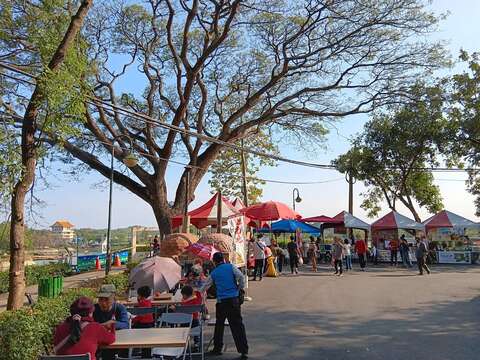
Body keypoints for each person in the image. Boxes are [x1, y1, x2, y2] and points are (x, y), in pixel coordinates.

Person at [201, 252, 248, 360]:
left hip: (221, 302)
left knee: (219, 325)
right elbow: (241, 277)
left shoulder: (214, 272)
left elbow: (205, 286)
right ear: (223, 259)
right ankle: (243, 350)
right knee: (237, 325)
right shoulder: (231, 267)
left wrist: (197, 292)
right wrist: (239, 287)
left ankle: (217, 348)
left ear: (214, 261)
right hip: (233, 300)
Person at [93, 284, 129, 360]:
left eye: (106, 299)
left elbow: (125, 324)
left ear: (114, 298)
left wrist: (113, 324)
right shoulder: (93, 309)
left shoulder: (119, 308)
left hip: (116, 343)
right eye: (100, 299)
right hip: (97, 344)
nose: (103, 303)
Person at [131, 286, 154, 358]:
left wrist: (132, 320)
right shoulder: (148, 302)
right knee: (147, 341)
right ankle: (146, 355)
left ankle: (134, 350)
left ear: (140, 295)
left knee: (131, 329)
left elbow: (140, 316)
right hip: (150, 324)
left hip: (142, 324)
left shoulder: (142, 303)